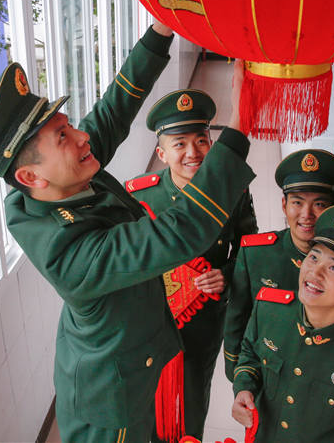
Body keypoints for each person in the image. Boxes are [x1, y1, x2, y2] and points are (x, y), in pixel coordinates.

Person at [0, 22, 256, 442]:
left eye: (69, 125)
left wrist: (160, 30)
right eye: (64, 135)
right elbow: (180, 231)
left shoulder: (55, 183)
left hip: (140, 357)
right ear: (31, 174)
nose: (83, 137)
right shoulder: (70, 254)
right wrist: (240, 124)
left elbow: (113, 111)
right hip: (113, 405)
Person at [126, 89, 258, 440]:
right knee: (147, 398)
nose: (192, 152)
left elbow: (249, 250)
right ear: (161, 153)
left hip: (203, 319)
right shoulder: (140, 196)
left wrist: (226, 276)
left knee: (193, 394)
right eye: (179, 144)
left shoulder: (232, 191)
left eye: (201, 140)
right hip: (151, 318)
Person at [230, 205, 334, 442]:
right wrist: (243, 388)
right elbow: (250, 354)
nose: (315, 272)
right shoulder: (269, 309)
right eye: (313, 257)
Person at [223, 149, 334, 380]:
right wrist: (237, 375)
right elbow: (237, 317)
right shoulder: (255, 253)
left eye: (319, 204)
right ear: (284, 205)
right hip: (264, 371)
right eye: (297, 202)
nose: (306, 214)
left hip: (318, 377)